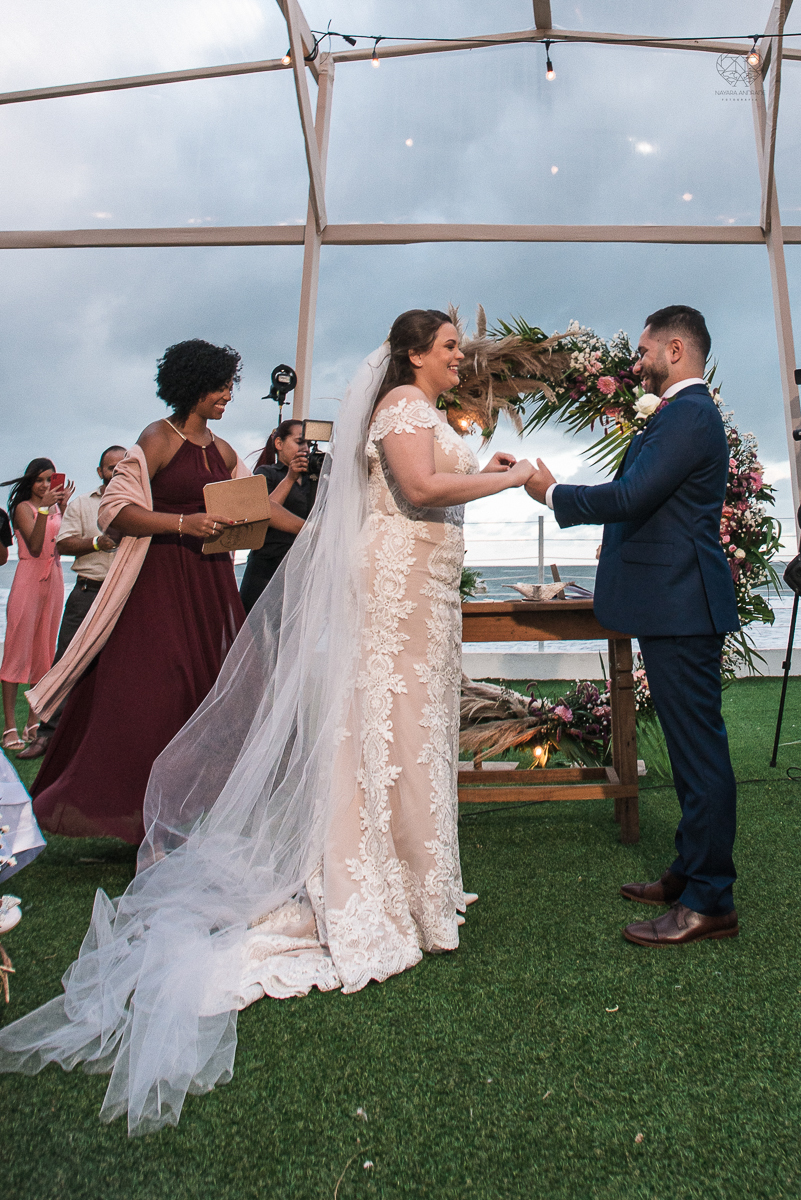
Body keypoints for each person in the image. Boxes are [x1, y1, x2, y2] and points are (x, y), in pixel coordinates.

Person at [0, 309, 534, 1135]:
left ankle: (417, 878)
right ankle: (365, 879)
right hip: (335, 585)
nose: (463, 356)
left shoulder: (407, 415)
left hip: (387, 586)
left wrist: (484, 470)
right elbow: (419, 490)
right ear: (413, 355)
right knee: (375, 734)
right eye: (451, 346)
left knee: (408, 736)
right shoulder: (392, 411)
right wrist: (505, 479)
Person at [525, 305, 740, 947]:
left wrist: (551, 492)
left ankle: (710, 900)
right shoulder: (679, 414)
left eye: (645, 350)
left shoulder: (690, 414)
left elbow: (631, 498)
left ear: (675, 350)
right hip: (671, 602)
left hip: (683, 606)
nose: (637, 362)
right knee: (688, 748)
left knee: (700, 756)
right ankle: (688, 871)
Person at [28, 341, 251, 843]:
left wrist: (313, 527)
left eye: (230, 385)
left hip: (210, 585)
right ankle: (132, 814)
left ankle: (186, 815)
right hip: (160, 581)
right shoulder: (157, 437)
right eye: (220, 385)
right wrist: (182, 523)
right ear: (192, 385)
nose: (228, 395)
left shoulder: (225, 451)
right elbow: (115, 510)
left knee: (208, 695)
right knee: (154, 695)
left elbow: (253, 507)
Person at [18, 446, 127, 761]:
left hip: (126, 596)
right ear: (99, 472)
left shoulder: (141, 506)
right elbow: (62, 544)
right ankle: (46, 736)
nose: (117, 472)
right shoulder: (82, 504)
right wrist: (98, 541)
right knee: (65, 664)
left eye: (123, 467)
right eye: (110, 468)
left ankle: (108, 739)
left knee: (120, 668)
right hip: (87, 592)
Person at [0, 460, 74, 752]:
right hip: (29, 578)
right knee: (17, 651)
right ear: (30, 482)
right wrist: (44, 507)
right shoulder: (23, 509)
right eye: (40, 480)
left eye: (49, 479)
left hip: (54, 578)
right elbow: (33, 545)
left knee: (45, 652)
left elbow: (66, 538)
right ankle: (9, 727)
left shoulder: (54, 507)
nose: (45, 485)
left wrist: (64, 508)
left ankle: (34, 721)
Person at [239, 420, 310, 614]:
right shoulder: (267, 473)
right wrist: (290, 478)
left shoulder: (316, 479)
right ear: (279, 444)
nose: (305, 449)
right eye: (300, 442)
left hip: (301, 569)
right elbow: (264, 510)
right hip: (266, 570)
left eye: (309, 444)